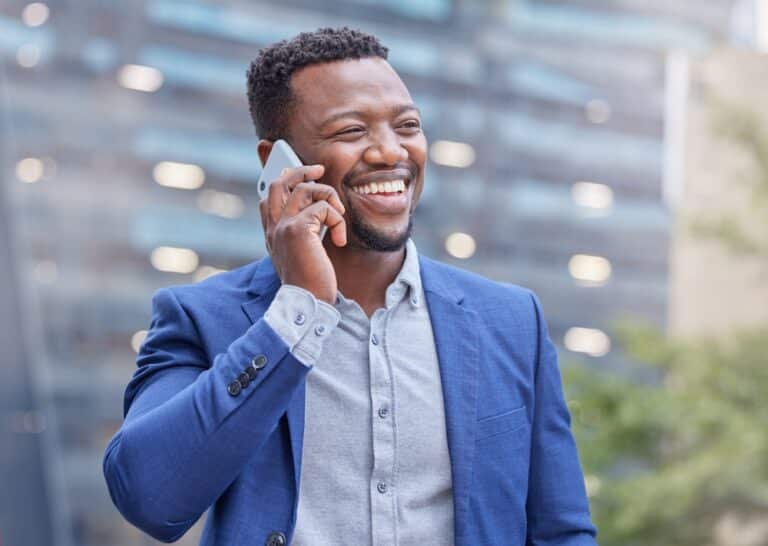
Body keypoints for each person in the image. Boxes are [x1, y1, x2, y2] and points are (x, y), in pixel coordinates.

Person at [103, 27, 597, 546]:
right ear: (278, 162)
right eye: (350, 131)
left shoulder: (511, 320)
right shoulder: (203, 319)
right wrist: (298, 310)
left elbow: (561, 530)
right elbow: (149, 499)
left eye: (407, 125)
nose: (390, 152)